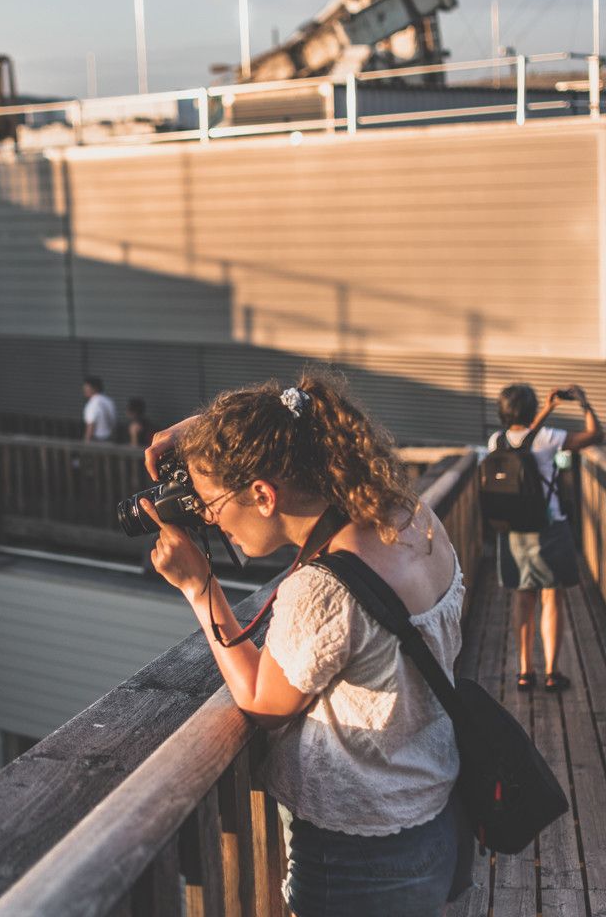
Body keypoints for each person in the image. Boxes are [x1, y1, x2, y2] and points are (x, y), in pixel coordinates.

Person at [141, 375, 467, 917]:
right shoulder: (408, 517)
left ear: (263, 495)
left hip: (357, 855)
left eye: (208, 503)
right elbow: (297, 411)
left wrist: (201, 589)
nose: (207, 518)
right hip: (433, 818)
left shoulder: (321, 588)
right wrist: (208, 432)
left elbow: (264, 706)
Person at [488, 384, 603, 693]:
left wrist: (546, 410)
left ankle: (525, 671)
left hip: (512, 531)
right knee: (552, 596)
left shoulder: (495, 441)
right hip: (549, 528)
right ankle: (552, 671)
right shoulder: (549, 437)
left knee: (523, 598)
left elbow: (519, 440)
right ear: (532, 408)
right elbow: (594, 435)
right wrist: (583, 403)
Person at [82, 376, 117, 442]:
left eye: (86, 387)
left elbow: (90, 426)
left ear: (94, 388)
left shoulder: (92, 404)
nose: (84, 389)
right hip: (110, 440)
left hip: (97, 441)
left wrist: (86, 444)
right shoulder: (109, 402)